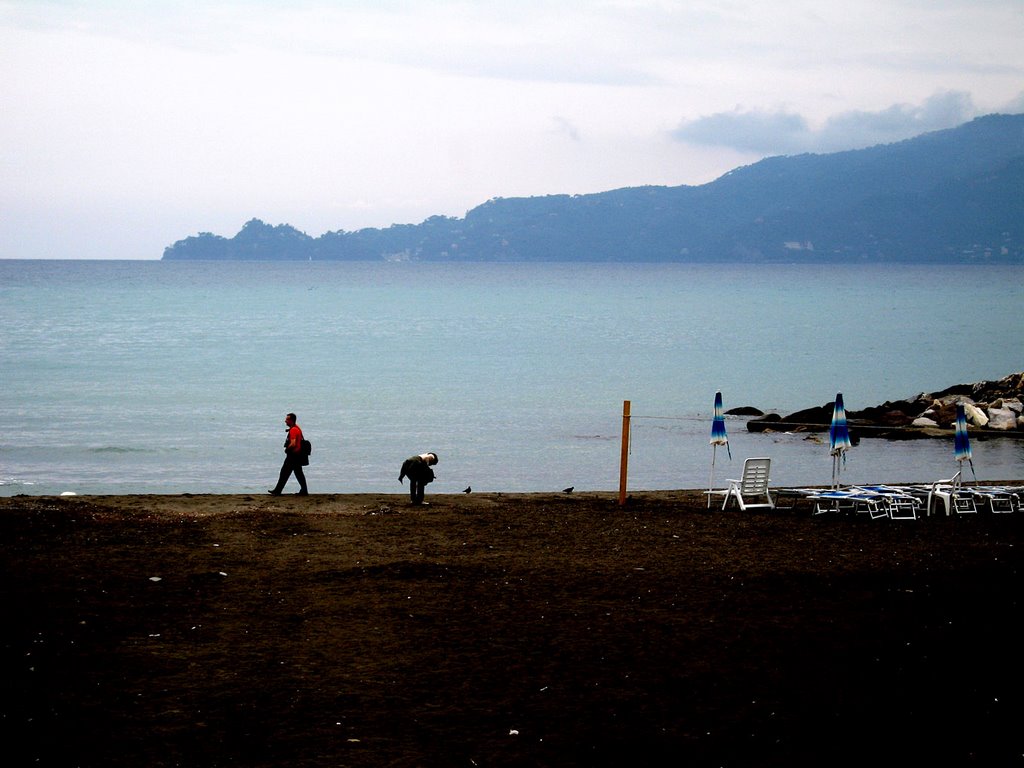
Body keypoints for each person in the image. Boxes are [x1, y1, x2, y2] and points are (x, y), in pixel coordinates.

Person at [269, 413, 308, 496]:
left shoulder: (294, 430)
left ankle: (277, 491)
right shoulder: (297, 428)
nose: (285, 421)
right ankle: (304, 490)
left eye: (287, 419)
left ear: (291, 420)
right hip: (297, 455)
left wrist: (287, 449)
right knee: (298, 473)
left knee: (284, 472)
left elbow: (293, 443)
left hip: (293, 455)